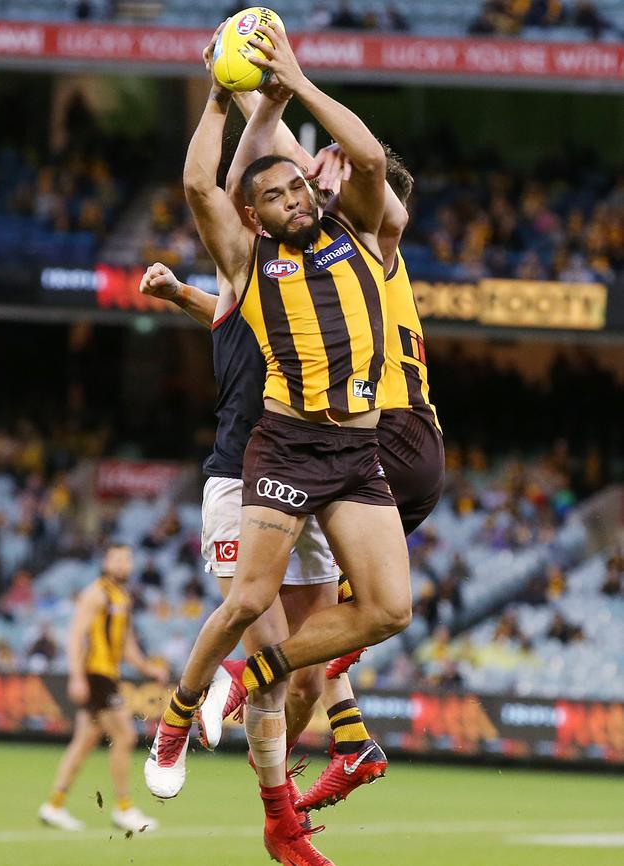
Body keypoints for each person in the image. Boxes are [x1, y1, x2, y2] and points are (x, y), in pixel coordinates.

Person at [145, 20, 412, 866]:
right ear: (253, 216)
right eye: (276, 196)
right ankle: (181, 710)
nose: (296, 198)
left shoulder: (361, 233)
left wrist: (295, 80)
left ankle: (247, 683)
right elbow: (197, 186)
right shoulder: (248, 265)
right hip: (285, 451)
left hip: (356, 457)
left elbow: (366, 161)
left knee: (390, 610)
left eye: (301, 187)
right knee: (246, 604)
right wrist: (223, 100)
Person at [38, 543, 167, 832]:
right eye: (117, 559)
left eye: (127, 559)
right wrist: (76, 676)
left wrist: (148, 669)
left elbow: (127, 644)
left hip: (107, 675)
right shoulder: (96, 594)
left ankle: (54, 804)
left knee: (84, 742)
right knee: (125, 737)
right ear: (106, 562)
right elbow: (75, 635)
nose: (123, 564)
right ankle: (124, 808)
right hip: (96, 674)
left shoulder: (122, 597)